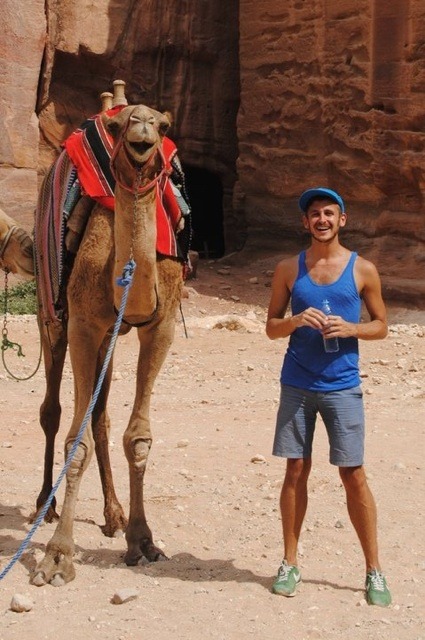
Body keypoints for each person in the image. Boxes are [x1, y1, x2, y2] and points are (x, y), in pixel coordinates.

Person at [266, 187, 392, 607]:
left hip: (342, 387)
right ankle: (289, 561)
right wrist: (296, 320)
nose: (321, 219)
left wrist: (352, 329)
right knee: (295, 471)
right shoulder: (288, 268)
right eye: (314, 214)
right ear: (305, 223)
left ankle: (373, 569)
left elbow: (381, 325)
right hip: (297, 384)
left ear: (343, 220)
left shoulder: (363, 270)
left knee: (352, 475)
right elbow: (270, 326)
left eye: (329, 213)